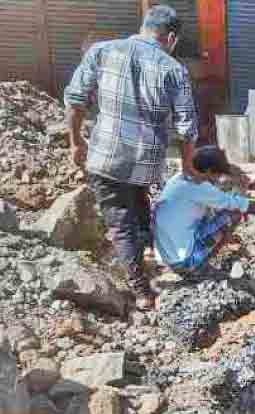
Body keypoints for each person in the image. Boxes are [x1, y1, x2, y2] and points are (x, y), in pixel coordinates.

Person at [65, 5, 198, 311]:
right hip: (145, 164)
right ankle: (142, 285)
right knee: (136, 212)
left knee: (121, 220)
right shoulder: (173, 69)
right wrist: (188, 166)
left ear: (144, 26)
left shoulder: (102, 51)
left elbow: (75, 101)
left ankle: (142, 282)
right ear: (172, 38)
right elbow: (186, 127)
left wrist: (75, 142)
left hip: (106, 158)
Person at [153, 146, 255, 273]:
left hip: (166, 256)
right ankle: (201, 267)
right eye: (217, 174)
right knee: (234, 213)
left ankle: (205, 252)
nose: (218, 178)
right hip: (185, 261)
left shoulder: (179, 179)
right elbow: (245, 206)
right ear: (208, 170)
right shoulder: (200, 187)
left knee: (216, 210)